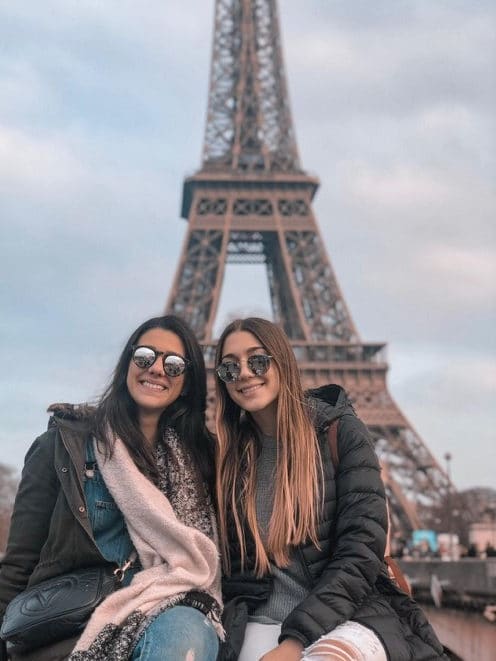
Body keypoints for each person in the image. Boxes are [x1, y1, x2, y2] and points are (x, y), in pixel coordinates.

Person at [214, 317, 448, 661]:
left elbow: (360, 552)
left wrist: (294, 644)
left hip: (347, 615)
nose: (245, 373)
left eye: (258, 360)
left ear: (282, 361)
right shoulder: (226, 455)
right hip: (257, 620)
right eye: (230, 367)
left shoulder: (340, 433)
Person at [0, 315, 222, 661]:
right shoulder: (63, 446)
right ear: (128, 363)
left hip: (170, 613)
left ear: (188, 381)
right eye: (146, 356)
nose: (158, 369)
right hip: (70, 621)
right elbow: (19, 563)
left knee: (184, 636)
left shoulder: (203, 460)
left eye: (174, 364)